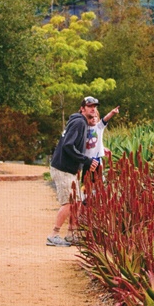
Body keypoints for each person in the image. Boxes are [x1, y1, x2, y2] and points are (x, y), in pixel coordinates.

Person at [46, 96, 100, 247]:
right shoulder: (78, 122)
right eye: (90, 106)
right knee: (69, 203)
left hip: (69, 169)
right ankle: (53, 235)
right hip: (63, 169)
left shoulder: (81, 122)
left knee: (76, 202)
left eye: (95, 106)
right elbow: (68, 146)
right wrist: (86, 160)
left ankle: (71, 234)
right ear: (82, 108)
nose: (93, 109)